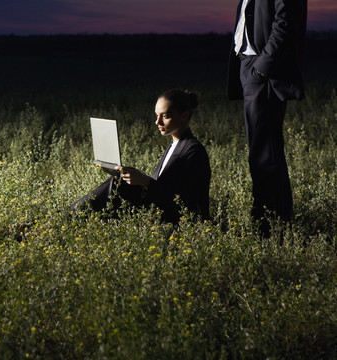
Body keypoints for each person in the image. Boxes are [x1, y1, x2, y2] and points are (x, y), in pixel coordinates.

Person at [71, 89, 211, 224]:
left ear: (184, 115)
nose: (158, 122)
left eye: (165, 116)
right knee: (120, 181)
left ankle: (71, 216)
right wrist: (138, 180)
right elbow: (163, 188)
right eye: (157, 116)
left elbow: (185, 201)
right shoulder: (176, 145)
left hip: (178, 219)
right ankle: (76, 216)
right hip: (161, 209)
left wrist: (145, 182)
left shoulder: (193, 150)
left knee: (117, 185)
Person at [228, 0, 307, 236]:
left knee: (265, 151)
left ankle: (268, 223)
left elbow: (286, 22)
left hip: (262, 71)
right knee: (263, 149)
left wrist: (262, 67)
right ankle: (276, 219)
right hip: (249, 66)